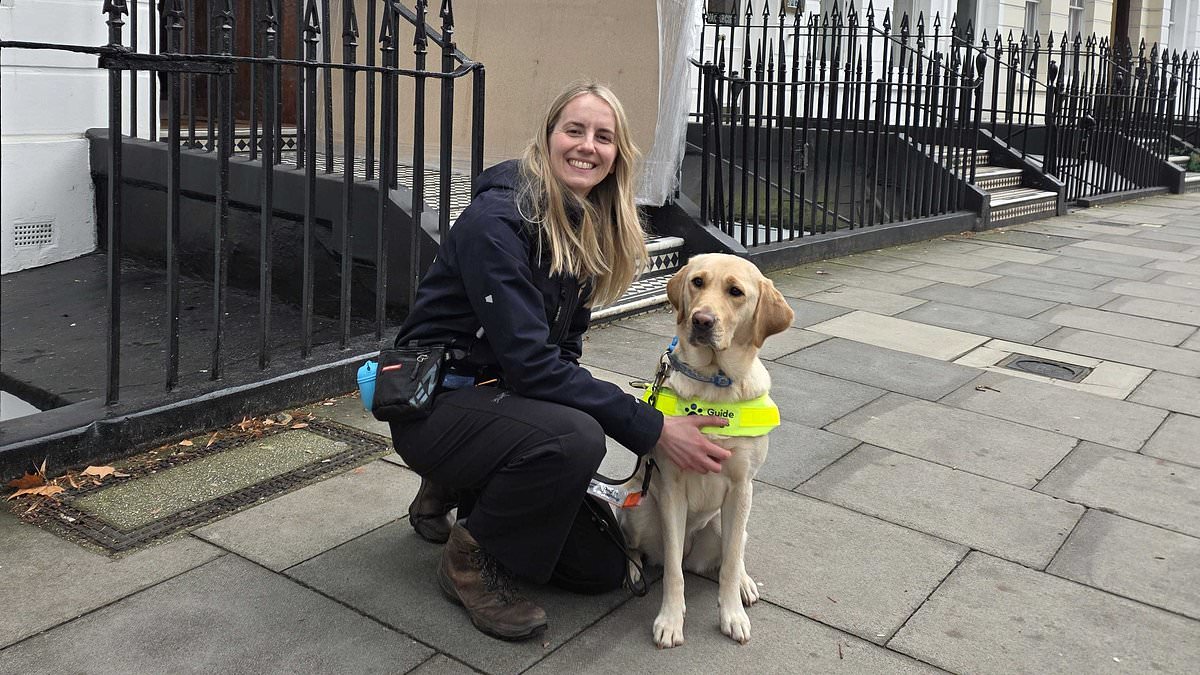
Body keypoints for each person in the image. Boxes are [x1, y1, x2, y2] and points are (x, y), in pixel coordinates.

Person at [388, 83, 732, 642]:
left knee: (600, 569)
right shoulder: (495, 222)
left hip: (497, 401)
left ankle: (462, 485)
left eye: (604, 137)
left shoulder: (583, 223)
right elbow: (532, 364)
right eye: (574, 130)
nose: (587, 146)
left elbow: (564, 352)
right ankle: (466, 561)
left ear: (617, 154)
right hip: (436, 404)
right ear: (548, 137)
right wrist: (654, 429)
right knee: (575, 438)